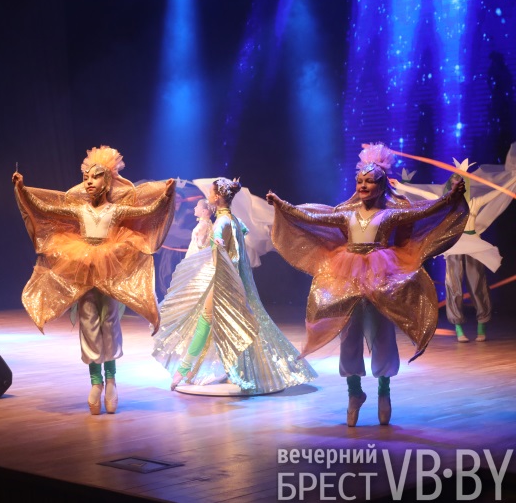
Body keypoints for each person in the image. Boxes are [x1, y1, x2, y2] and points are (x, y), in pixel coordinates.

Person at [266, 143, 468, 426]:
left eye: (369, 181)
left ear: (381, 186)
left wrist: (450, 198)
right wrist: (282, 205)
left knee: (381, 333)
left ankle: (384, 390)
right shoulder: (346, 215)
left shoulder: (390, 214)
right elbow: (312, 217)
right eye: (360, 180)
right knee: (348, 335)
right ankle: (354, 393)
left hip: (380, 274)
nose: (363, 185)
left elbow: (424, 211)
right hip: (347, 275)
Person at [13, 146, 175, 415]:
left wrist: (166, 194)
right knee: (88, 319)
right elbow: (46, 207)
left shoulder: (117, 209)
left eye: (96, 176)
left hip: (111, 262)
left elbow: (148, 210)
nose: (89, 181)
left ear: (107, 182)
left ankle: (111, 380)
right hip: (83, 264)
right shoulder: (80, 210)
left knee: (109, 318)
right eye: (86, 177)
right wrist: (22, 190)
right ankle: (95, 382)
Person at [153, 179, 317, 394]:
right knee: (229, 323)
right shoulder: (235, 220)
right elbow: (243, 231)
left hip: (223, 280)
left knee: (207, 322)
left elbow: (221, 233)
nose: (208, 195)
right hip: (232, 279)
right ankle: (224, 369)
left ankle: (186, 370)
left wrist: (218, 240)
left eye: (211, 192)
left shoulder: (222, 221)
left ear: (216, 197)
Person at [391, 161, 516, 342]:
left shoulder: (474, 202)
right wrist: (401, 185)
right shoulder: (446, 203)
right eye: (455, 183)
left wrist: (513, 179)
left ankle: (482, 324)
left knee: (477, 284)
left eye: (462, 183)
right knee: (453, 285)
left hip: (473, 245)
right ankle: (458, 327)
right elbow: (423, 194)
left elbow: (497, 192)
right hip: (454, 244)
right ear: (451, 186)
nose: (458, 186)